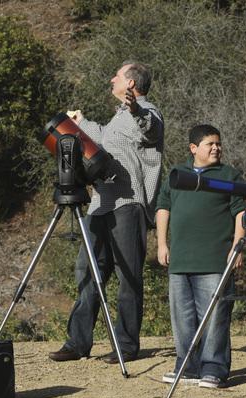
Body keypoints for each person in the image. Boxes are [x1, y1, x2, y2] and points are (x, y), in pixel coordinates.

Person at [49, 60, 164, 364]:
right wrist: (79, 122)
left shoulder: (148, 112)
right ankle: (78, 342)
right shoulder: (117, 119)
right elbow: (101, 139)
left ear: (131, 84)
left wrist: (136, 109)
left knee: (129, 277)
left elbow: (150, 130)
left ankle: (126, 346)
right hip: (101, 204)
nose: (110, 78)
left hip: (129, 206)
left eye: (117, 75)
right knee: (88, 271)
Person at [155, 124, 245, 388]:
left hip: (215, 260)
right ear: (194, 148)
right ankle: (187, 366)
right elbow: (163, 207)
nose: (216, 148)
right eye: (210, 144)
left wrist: (238, 246)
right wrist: (162, 244)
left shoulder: (229, 175)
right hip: (180, 259)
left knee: (216, 316)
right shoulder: (177, 173)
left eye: (218, 143)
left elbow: (241, 211)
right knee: (182, 317)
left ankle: (214, 369)